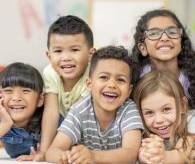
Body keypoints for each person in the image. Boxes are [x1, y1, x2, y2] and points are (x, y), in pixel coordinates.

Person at [46, 45, 144, 164]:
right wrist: (65, 156)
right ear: (89, 84)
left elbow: (130, 155)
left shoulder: (128, 110)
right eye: (104, 77)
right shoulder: (79, 110)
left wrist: (93, 156)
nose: (112, 84)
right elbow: (52, 151)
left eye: (121, 80)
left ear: (129, 91)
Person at [131, 8, 195, 117]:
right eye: (154, 33)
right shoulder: (136, 77)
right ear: (143, 48)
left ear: (181, 41)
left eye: (172, 32)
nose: (165, 38)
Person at [40, 15, 95, 160]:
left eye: (74, 50)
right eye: (58, 51)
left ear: (91, 54)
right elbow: (51, 111)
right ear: (49, 55)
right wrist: (44, 151)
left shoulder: (94, 73)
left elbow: (77, 113)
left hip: (87, 125)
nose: (66, 57)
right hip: (63, 124)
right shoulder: (50, 72)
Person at [133, 70, 195, 164]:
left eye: (166, 109)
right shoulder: (138, 132)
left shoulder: (193, 119)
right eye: (149, 113)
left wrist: (162, 156)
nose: (159, 120)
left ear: (182, 106)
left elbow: (181, 155)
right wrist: (146, 156)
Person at [0, 62, 44, 161]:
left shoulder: (49, 120)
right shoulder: (1, 119)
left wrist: (45, 153)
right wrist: (5, 124)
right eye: (8, 91)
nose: (16, 98)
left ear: (40, 100)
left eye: (26, 91)